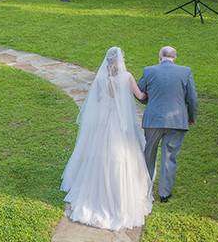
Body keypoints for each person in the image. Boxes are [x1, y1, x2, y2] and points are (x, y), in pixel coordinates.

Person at [60, 47, 153, 230]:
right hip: (121, 124)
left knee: (101, 153)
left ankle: (96, 192)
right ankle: (121, 196)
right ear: (120, 61)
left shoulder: (101, 79)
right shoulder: (127, 77)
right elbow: (140, 96)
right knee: (123, 156)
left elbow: (98, 100)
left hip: (104, 122)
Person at [138, 46, 198, 203]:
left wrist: (149, 102)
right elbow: (192, 98)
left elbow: (140, 93)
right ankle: (164, 194)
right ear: (175, 57)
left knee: (149, 154)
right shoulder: (185, 71)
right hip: (177, 121)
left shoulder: (149, 71)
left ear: (160, 56)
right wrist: (191, 117)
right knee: (169, 156)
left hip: (153, 120)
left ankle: (145, 189)